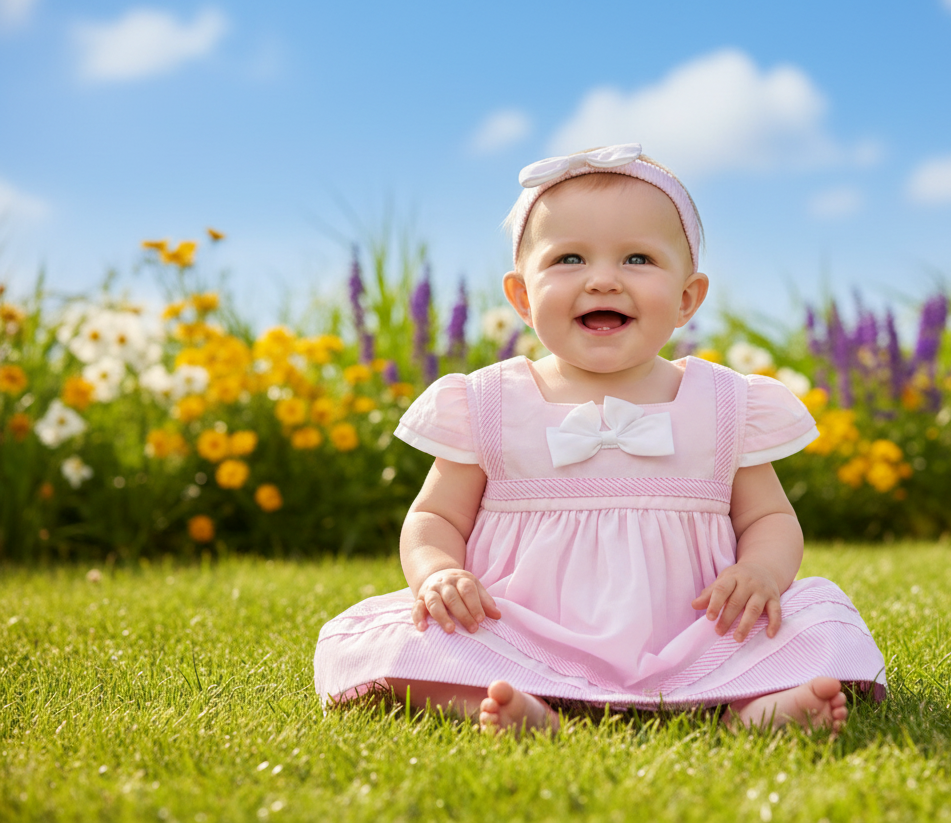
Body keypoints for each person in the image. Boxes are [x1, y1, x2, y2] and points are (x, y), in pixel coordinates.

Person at [313, 143, 887, 733]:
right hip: (521, 631)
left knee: (821, 623)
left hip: (697, 631)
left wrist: (761, 571)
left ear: (687, 298)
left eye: (638, 258)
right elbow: (435, 515)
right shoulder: (487, 403)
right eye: (569, 259)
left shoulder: (723, 403)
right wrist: (437, 572)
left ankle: (757, 708)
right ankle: (503, 700)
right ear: (522, 297)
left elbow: (769, 517)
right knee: (398, 641)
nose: (604, 280)